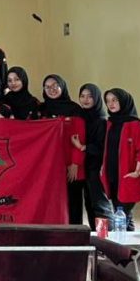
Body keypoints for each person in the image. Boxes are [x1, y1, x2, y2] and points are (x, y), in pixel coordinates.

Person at [39, 74, 86, 225]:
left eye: (55, 86)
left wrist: (75, 163)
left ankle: (75, 234)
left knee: (73, 203)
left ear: (62, 86)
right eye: (47, 87)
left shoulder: (74, 109)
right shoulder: (41, 109)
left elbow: (80, 138)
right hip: (49, 166)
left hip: (71, 165)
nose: (51, 89)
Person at [101, 88, 140, 230]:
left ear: (123, 101)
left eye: (115, 100)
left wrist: (137, 171)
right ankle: (128, 241)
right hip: (112, 174)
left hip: (127, 174)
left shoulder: (135, 124)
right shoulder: (110, 123)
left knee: (123, 213)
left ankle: (123, 241)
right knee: (121, 213)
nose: (111, 104)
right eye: (108, 101)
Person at [77, 83, 114, 228]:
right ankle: (95, 235)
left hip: (97, 169)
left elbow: (102, 148)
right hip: (86, 167)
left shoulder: (101, 120)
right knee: (90, 205)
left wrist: (83, 147)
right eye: (82, 96)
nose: (85, 100)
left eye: (90, 96)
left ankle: (106, 237)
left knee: (101, 206)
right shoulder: (82, 118)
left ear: (97, 98)